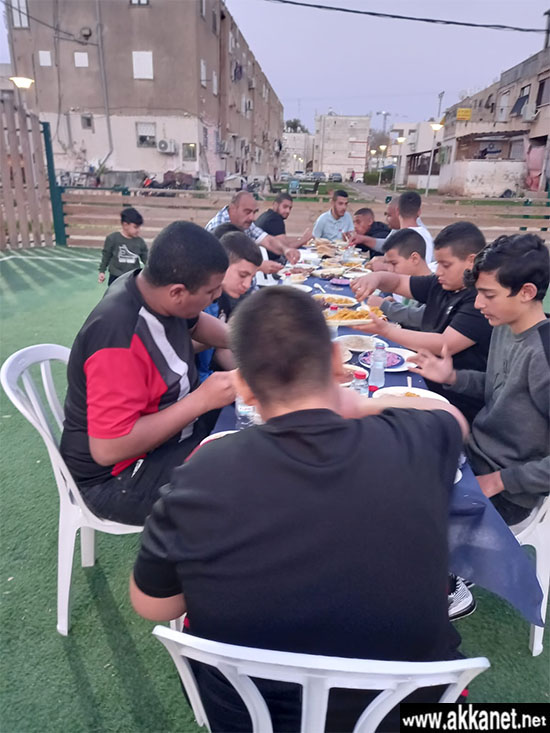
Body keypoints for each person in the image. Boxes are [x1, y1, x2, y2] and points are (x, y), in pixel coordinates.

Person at [130, 286, 469, 732]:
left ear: (244, 388)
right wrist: (360, 403)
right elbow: (453, 420)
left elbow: (154, 605)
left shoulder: (198, 474)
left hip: (249, 717)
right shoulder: (415, 441)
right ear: (336, 361)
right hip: (405, 712)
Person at [60, 222, 236, 526]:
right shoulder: (118, 338)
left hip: (163, 439)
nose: (218, 295)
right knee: (239, 485)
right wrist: (201, 400)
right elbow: (108, 449)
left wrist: (247, 340)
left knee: (244, 427)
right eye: (211, 291)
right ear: (177, 292)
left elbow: (196, 324)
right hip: (113, 479)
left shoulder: (150, 287)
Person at [410, 234, 549, 527]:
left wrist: (501, 480)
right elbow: (502, 386)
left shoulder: (543, 354)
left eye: (489, 295)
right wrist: (452, 377)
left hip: (508, 492)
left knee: (407, 512)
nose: (478, 303)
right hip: (474, 454)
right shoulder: (504, 325)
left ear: (526, 292)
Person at [352, 222, 493, 424]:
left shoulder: (477, 300)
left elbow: (445, 344)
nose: (439, 271)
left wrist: (386, 330)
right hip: (422, 379)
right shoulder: (441, 283)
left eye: (446, 265)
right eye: (438, 264)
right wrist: (377, 278)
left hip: (453, 403)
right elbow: (399, 282)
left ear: (471, 261)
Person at [196, 230, 263, 382]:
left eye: (252, 277)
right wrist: (221, 333)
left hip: (209, 375)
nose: (247, 284)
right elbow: (179, 345)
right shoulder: (195, 300)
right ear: (222, 265)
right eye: (243, 275)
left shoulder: (223, 299)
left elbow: (220, 350)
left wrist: (251, 380)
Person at [205, 191, 300, 265]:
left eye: (254, 212)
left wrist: (285, 249)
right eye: (247, 212)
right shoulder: (217, 228)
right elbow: (221, 266)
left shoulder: (244, 222)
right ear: (233, 209)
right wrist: (259, 267)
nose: (252, 218)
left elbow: (268, 241)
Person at [367, 229, 430, 329]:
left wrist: (385, 306)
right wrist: (394, 305)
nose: (390, 269)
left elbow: (420, 317)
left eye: (394, 263)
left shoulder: (433, 286)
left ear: (414, 259)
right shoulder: (409, 279)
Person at [352, 193, 434, 263]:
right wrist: (362, 239)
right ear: (419, 212)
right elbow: (387, 245)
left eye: (389, 215)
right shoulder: (419, 233)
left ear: (398, 211)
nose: (386, 220)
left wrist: (385, 265)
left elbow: (410, 270)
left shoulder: (414, 237)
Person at [255, 193, 313, 262]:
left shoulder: (266, 215)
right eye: (285, 207)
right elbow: (286, 247)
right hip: (270, 261)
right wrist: (304, 239)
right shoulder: (275, 219)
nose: (288, 211)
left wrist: (300, 239)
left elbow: (284, 242)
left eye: (290, 208)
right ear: (275, 205)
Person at [98, 207, 148, 285]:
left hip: (132, 277)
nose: (138, 230)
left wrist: (152, 272)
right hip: (115, 277)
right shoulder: (112, 238)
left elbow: (146, 259)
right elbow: (106, 256)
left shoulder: (140, 242)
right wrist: (102, 271)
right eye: (135, 227)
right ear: (125, 225)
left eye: (139, 227)